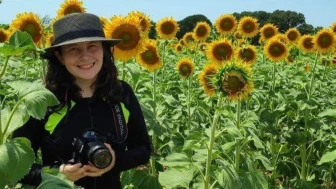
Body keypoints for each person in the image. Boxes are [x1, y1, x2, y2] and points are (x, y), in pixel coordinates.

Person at [12, 12, 151, 189]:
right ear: (60, 57)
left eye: (92, 46)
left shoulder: (121, 93)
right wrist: (58, 172)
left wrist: (115, 161)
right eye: (73, 49)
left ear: (104, 50)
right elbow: (17, 166)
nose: (85, 56)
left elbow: (143, 149)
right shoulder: (43, 100)